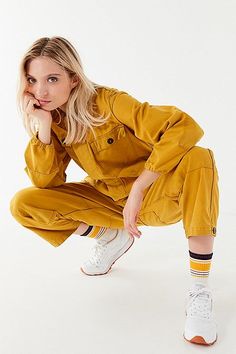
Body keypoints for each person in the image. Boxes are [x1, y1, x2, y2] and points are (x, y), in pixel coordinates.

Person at [10, 36, 219, 346]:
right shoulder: (52, 120)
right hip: (110, 202)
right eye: (32, 80)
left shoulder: (109, 101)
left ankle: (200, 291)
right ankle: (110, 236)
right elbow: (46, 184)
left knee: (199, 156)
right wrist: (41, 126)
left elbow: (183, 127)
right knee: (24, 203)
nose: (40, 91)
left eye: (52, 79)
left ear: (73, 78)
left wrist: (139, 187)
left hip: (159, 195)